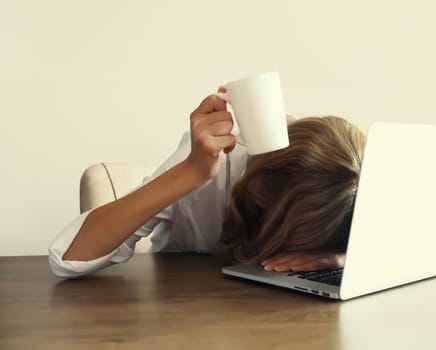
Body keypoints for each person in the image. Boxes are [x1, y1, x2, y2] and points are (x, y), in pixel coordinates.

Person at [49, 90, 366, 278]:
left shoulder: (348, 183)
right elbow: (66, 257)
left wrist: (341, 258)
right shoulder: (219, 158)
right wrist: (190, 172)